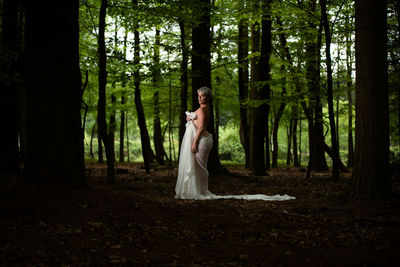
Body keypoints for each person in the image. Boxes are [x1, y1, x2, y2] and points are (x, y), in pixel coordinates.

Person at [175, 86, 295, 201]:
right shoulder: (202, 108)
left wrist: (194, 142)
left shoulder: (204, 109)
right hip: (201, 140)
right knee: (197, 166)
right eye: (199, 96)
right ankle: (197, 190)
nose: (200, 98)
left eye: (202, 96)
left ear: (208, 97)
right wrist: (191, 118)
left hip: (201, 140)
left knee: (200, 167)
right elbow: (197, 120)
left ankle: (200, 191)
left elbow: (201, 127)